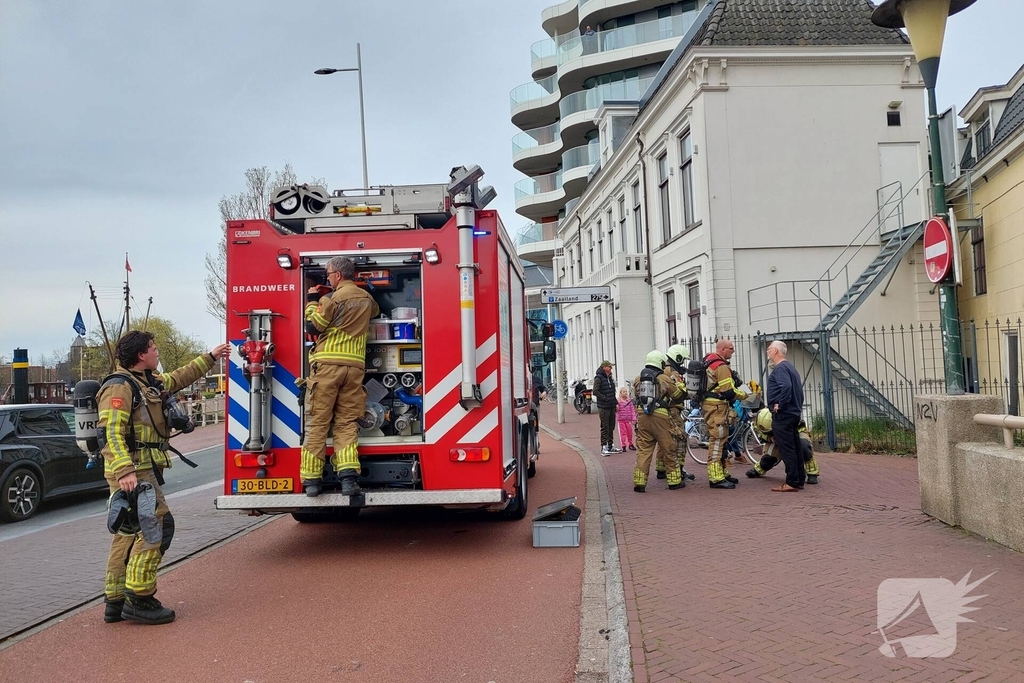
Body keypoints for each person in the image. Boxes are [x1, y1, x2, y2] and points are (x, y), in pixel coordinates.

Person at [98, 330, 230, 625]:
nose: (157, 352)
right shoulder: (120, 387)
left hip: (142, 468)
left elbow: (180, 377)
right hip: (134, 471)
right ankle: (140, 598)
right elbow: (110, 433)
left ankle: (115, 600)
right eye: (153, 348)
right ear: (141, 356)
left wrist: (211, 357)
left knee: (128, 532)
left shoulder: (148, 382)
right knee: (158, 526)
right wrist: (125, 471)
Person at [300, 256, 380, 497]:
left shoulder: (330, 299)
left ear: (337, 275)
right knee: (347, 423)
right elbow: (375, 311)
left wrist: (313, 300)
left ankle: (312, 481)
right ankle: (348, 480)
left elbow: (313, 327)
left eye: (328, 274)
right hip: (354, 370)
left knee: (318, 423)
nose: (327, 278)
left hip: (326, 369)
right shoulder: (366, 298)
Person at [632, 351, 687, 492]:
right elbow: (677, 396)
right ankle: (674, 482)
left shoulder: (638, 379)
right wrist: (680, 387)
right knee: (669, 448)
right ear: (661, 363)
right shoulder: (664, 378)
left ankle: (639, 483)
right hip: (661, 417)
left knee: (644, 451)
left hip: (642, 417)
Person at [701, 338, 748, 489]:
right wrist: (745, 394)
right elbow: (727, 390)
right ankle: (715, 478)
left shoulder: (709, 360)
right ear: (722, 349)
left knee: (721, 440)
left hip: (712, 406)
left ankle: (722, 473)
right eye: (731, 349)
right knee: (717, 440)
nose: (733, 351)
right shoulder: (721, 366)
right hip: (717, 408)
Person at [765, 340, 805, 492]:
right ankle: (799, 478)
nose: (767, 351)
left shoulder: (780, 368)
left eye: (769, 349)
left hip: (783, 415)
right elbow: (797, 391)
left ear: (776, 351)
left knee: (787, 449)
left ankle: (792, 481)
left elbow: (786, 386)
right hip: (793, 413)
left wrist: (780, 405)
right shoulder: (790, 367)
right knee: (795, 448)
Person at [745, 408, 820, 484]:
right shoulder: (759, 421)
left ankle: (812, 473)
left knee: (804, 446)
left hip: (795, 433)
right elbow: (760, 433)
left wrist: (788, 437)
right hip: (775, 441)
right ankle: (759, 469)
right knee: (769, 458)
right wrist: (770, 438)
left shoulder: (788, 416)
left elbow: (800, 427)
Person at [655, 343, 695, 482]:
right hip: (673, 409)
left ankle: (661, 469)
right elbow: (680, 390)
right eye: (682, 359)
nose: (683, 362)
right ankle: (678, 469)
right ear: (677, 357)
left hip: (664, 409)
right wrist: (692, 392)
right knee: (679, 439)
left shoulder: (663, 368)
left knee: (664, 439)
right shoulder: (673, 372)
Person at [594, 360, 620, 455]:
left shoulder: (610, 378)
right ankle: (603, 446)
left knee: (611, 426)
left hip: (611, 405)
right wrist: (604, 398)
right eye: (609, 367)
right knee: (605, 426)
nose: (611, 368)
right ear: (604, 367)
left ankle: (611, 445)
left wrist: (615, 403)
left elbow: (612, 392)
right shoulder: (599, 378)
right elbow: (595, 391)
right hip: (603, 406)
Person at [616, 386, 637, 451]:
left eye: (626, 392)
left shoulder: (629, 401)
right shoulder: (618, 401)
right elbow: (616, 410)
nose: (625, 393)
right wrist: (616, 407)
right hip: (621, 420)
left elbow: (632, 410)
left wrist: (634, 418)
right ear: (620, 393)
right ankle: (623, 445)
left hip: (628, 420)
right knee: (623, 433)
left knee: (630, 432)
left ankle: (630, 444)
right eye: (624, 392)